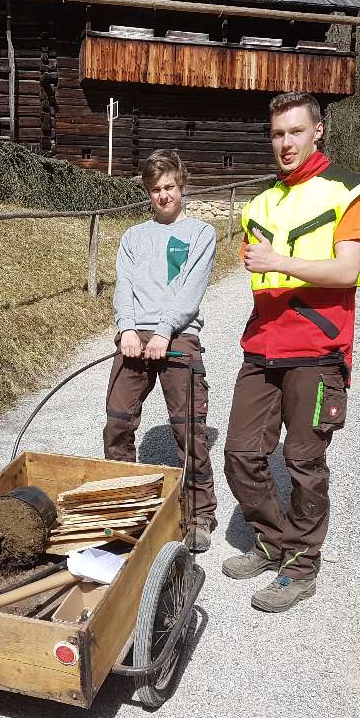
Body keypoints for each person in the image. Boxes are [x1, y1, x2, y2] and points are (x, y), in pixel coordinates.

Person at [222, 92, 360, 612]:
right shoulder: (259, 203)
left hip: (317, 349)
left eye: (295, 131)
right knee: (242, 454)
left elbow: (346, 271)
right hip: (262, 346)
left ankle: (302, 565)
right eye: (277, 134)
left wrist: (279, 261)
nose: (285, 143)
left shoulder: (348, 192)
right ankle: (272, 541)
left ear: (318, 132)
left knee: (303, 460)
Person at [104, 149, 218, 552]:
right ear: (148, 193)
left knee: (188, 426)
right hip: (136, 336)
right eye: (156, 190)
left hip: (179, 336)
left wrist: (165, 331)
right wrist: (127, 329)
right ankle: (126, 506)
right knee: (118, 420)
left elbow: (190, 290)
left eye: (169, 187)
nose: (163, 195)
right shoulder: (133, 236)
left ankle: (200, 512)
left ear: (181, 187)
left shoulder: (199, 234)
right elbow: (125, 286)